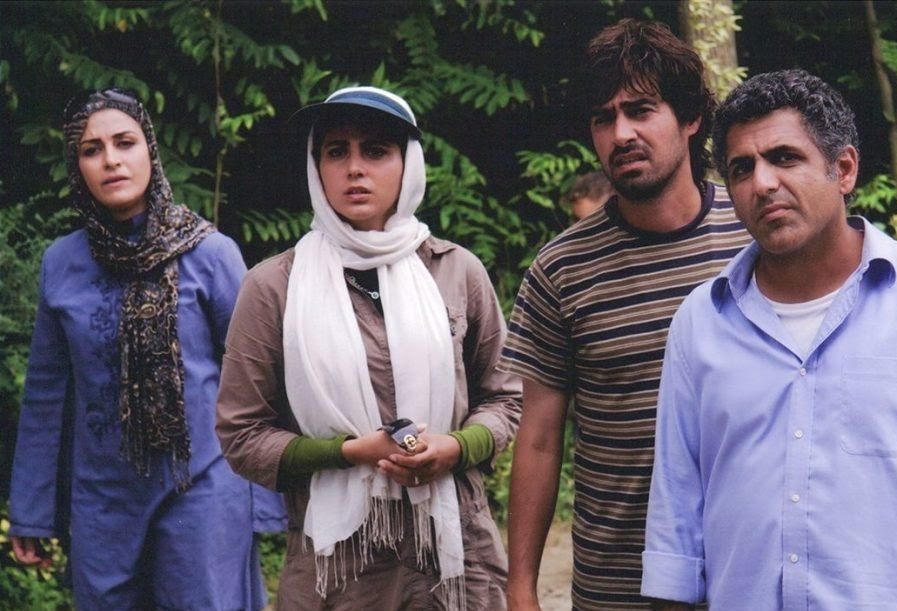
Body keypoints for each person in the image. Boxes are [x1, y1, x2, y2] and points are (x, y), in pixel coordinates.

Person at [642, 69, 897, 610]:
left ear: (843, 169)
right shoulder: (702, 322)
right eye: (742, 168)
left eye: (785, 157)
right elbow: (676, 517)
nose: (762, 183)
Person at [215, 85, 521, 610]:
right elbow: (241, 433)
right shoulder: (274, 287)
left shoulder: (456, 271)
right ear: (316, 167)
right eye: (337, 151)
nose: (355, 168)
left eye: (376, 151)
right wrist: (348, 453)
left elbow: (506, 398)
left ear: (408, 164)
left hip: (454, 553)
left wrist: (455, 448)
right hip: (338, 565)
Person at [501, 19, 750, 610]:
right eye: (603, 118)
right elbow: (538, 439)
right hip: (618, 583)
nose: (621, 133)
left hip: (749, 573)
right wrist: (521, 588)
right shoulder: (562, 269)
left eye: (641, 110)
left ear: (691, 118)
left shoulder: (755, 236)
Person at [7, 88, 285, 610]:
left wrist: (269, 500)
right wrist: (32, 512)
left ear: (150, 151)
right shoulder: (61, 264)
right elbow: (46, 396)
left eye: (124, 142)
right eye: (91, 150)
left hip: (202, 485)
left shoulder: (210, 254)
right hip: (103, 499)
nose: (111, 160)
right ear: (77, 167)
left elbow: (261, 377)